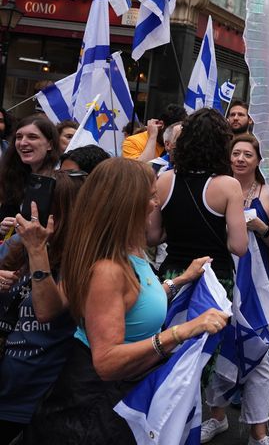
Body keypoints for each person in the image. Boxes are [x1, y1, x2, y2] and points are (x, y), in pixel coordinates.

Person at [20, 158, 230, 443]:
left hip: (116, 397)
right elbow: (105, 361)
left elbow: (133, 307)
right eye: (151, 196)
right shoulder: (108, 269)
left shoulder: (129, 250)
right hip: (95, 409)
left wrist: (178, 281)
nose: (156, 203)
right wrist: (183, 331)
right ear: (128, 204)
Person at [155, 109, 251, 442]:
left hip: (172, 277)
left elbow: (153, 236)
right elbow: (239, 246)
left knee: (168, 356)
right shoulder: (228, 186)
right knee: (198, 363)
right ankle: (186, 430)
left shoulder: (164, 180)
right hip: (214, 281)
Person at [198, 134, 269, 443]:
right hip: (223, 278)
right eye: (236, 153)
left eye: (248, 154)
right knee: (219, 349)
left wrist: (261, 228)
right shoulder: (217, 188)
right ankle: (217, 417)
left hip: (257, 285)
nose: (241, 158)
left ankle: (259, 431)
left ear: (258, 161)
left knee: (259, 353)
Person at [0, 171, 84, 444]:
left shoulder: (80, 261)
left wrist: (38, 251)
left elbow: (46, 311)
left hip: (32, 394)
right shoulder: (15, 244)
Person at [0, 115, 59, 238]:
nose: (23, 143)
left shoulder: (61, 182)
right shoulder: (13, 178)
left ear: (50, 145)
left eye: (32, 137)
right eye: (19, 137)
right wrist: (4, 227)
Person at [122, 104, 186, 162]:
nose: (177, 136)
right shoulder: (132, 141)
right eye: (172, 131)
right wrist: (152, 136)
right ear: (161, 124)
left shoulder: (182, 143)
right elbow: (140, 170)